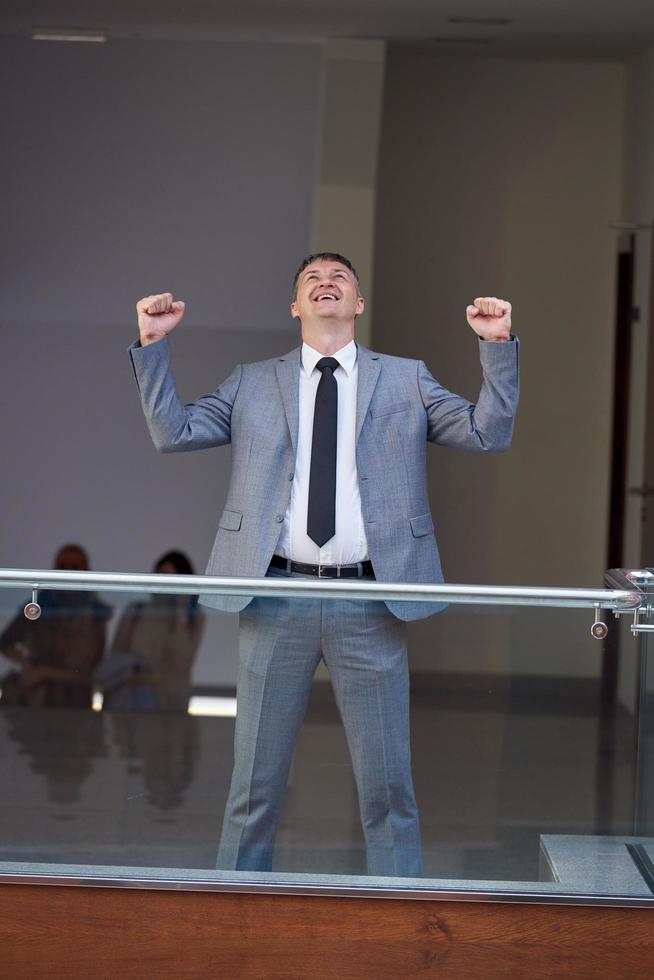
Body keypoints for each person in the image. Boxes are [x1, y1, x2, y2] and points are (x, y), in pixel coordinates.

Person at [129, 252, 519, 877]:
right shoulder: (253, 381)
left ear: (359, 304)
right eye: (312, 279)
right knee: (252, 790)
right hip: (274, 594)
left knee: (388, 790)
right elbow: (173, 432)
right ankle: (235, 915)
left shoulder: (406, 378)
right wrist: (151, 344)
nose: (326, 283)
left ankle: (397, 923)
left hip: (369, 599)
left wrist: (496, 347)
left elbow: (486, 433)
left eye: (340, 278)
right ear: (294, 306)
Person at [0, 544, 111, 708]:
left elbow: (93, 670)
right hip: (35, 700)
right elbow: (5, 641)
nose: (69, 571)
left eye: (75, 567)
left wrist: (43, 673)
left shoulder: (96, 614)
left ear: (86, 570)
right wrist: (26, 663)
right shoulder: (37, 607)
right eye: (62, 566)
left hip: (76, 704)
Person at [100, 550, 205, 712]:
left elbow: (181, 662)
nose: (161, 581)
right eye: (159, 574)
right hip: (129, 704)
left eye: (169, 577)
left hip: (169, 708)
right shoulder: (136, 611)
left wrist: (181, 612)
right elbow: (117, 656)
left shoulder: (193, 618)